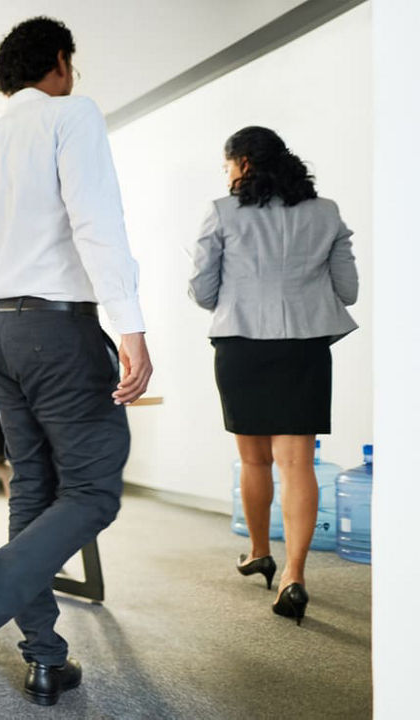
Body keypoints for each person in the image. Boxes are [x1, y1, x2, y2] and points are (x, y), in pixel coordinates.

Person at [0, 17, 152, 717]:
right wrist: (131, 325)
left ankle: (46, 660)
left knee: (34, 489)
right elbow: (96, 221)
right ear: (59, 62)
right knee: (93, 490)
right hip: (58, 330)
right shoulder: (70, 116)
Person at [189, 126, 358, 626]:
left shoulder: (222, 212)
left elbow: (202, 291)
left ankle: (259, 551)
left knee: (253, 459)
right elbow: (348, 290)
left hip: (242, 344)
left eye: (227, 165)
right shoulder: (325, 212)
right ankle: (293, 575)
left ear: (242, 163)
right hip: (305, 346)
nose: (227, 175)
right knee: (297, 463)